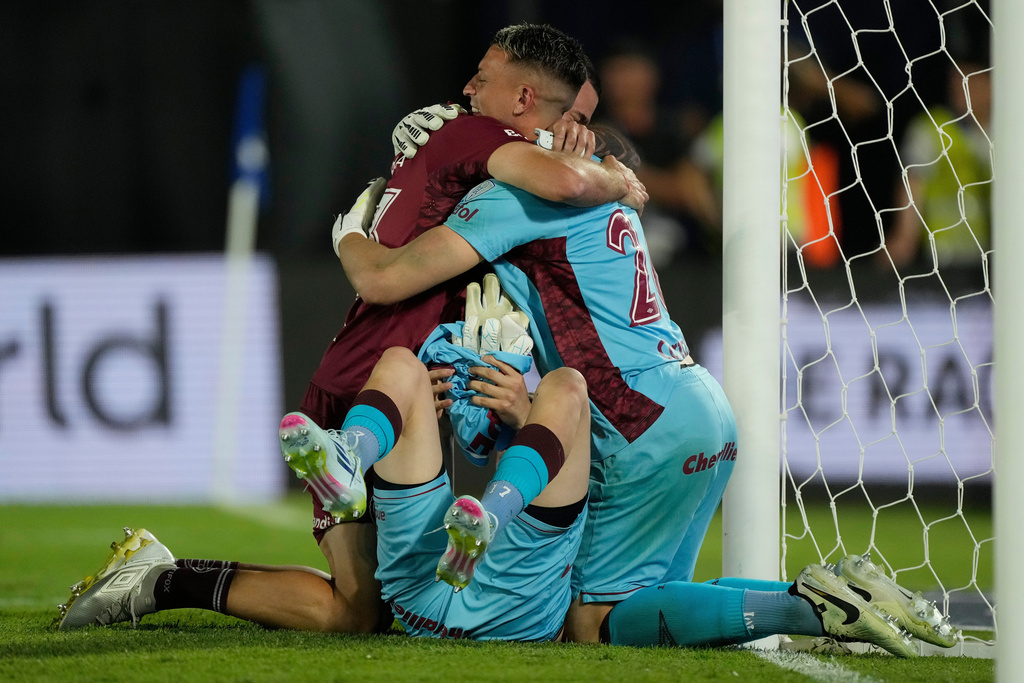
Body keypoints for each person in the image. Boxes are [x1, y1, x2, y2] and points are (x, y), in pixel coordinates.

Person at [53, 22, 636, 634]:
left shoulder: (465, 137)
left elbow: (562, 126)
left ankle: (160, 578)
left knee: (364, 610)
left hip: (384, 377)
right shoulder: (480, 136)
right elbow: (566, 180)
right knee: (358, 609)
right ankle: (163, 579)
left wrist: (578, 136)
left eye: (482, 78)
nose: (466, 86)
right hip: (379, 382)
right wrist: (616, 175)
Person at [333, 126, 958, 657]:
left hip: (639, 425)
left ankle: (807, 607)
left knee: (593, 622)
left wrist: (353, 236)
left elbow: (387, 280)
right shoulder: (616, 211)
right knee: (652, 608)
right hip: (701, 405)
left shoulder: (522, 199)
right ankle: (835, 591)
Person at [55, 342, 593, 642]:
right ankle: (360, 463)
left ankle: (350, 454)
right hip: (518, 609)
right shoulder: (506, 225)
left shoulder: (429, 211)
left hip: (420, 595)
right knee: (566, 385)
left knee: (403, 363)